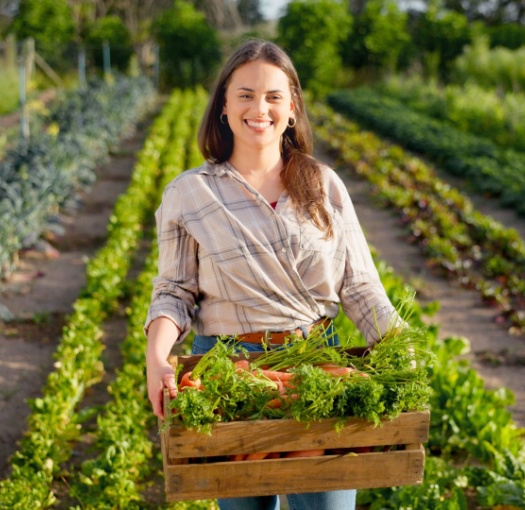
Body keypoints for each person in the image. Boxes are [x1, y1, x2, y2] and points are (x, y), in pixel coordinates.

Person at [144, 39, 404, 510]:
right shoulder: (191, 193)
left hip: (316, 368)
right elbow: (174, 292)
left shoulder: (323, 185)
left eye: (272, 96)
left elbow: (360, 286)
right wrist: (157, 356)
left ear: (291, 108)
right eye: (244, 94)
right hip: (227, 371)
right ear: (224, 105)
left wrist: (399, 345)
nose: (258, 108)